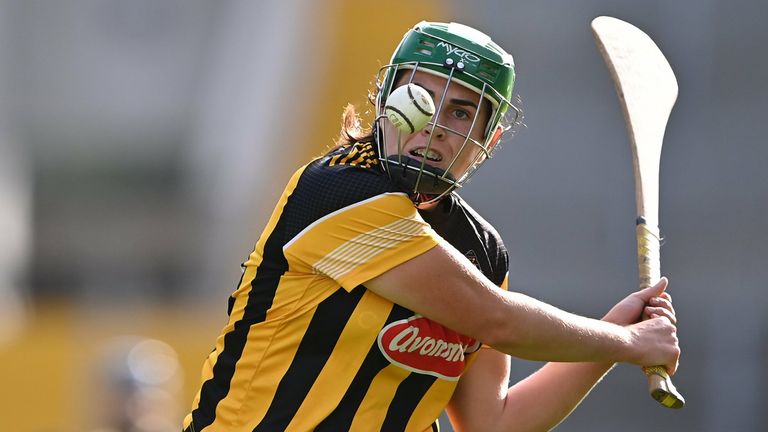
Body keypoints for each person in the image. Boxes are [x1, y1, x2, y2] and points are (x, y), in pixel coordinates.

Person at [183, 21, 680, 432]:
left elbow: (492, 423)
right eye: (420, 97)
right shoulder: (337, 192)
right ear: (384, 101)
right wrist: (628, 344)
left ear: (492, 137)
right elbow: (496, 320)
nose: (435, 123)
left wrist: (616, 332)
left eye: (462, 112)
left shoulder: (482, 252)